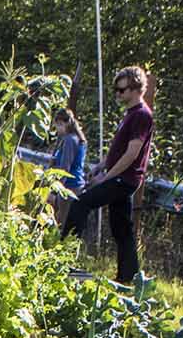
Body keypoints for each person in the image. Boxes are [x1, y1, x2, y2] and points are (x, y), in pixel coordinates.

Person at [60, 67, 153, 285]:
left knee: (80, 203)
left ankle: (64, 261)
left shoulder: (141, 115)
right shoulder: (131, 113)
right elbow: (119, 150)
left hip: (124, 178)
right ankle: (128, 278)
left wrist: (107, 177)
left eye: (122, 90)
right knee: (121, 227)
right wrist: (102, 166)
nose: (118, 94)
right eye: (116, 90)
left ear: (136, 88)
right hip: (120, 176)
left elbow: (132, 153)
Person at [49, 107, 86, 221]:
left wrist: (55, 191)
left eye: (60, 124)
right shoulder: (77, 138)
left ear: (68, 123)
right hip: (76, 185)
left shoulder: (70, 140)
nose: (58, 128)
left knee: (62, 223)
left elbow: (65, 168)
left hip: (69, 187)